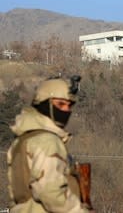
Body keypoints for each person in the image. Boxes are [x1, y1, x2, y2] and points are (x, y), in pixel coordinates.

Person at [7, 76, 93, 213]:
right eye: (60, 104)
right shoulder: (47, 141)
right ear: (45, 103)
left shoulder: (22, 140)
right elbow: (51, 193)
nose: (66, 110)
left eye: (69, 105)